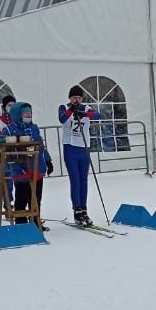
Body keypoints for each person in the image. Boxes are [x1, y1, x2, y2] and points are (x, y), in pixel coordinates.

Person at [0, 102, 53, 229]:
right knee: (22, 197)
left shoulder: (34, 127)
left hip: (36, 167)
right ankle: (21, 223)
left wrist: (48, 160)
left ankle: (35, 221)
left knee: (36, 197)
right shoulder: (9, 129)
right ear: (17, 115)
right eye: (25, 114)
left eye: (30, 113)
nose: (29, 116)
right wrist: (15, 140)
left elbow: (41, 145)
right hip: (20, 169)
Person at [58, 85, 99, 226]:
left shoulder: (86, 108)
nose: (77, 100)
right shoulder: (64, 107)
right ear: (70, 98)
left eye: (79, 97)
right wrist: (72, 110)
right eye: (74, 97)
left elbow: (98, 115)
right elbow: (62, 119)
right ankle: (77, 211)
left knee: (83, 181)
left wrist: (85, 114)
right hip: (70, 148)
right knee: (75, 180)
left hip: (84, 148)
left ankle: (84, 210)